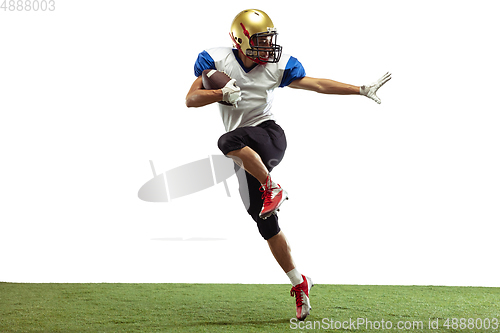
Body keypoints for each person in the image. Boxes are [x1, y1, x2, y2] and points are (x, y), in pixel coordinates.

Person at [185, 9, 391, 321]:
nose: (269, 46)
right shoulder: (216, 61)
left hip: (269, 137)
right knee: (264, 221)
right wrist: (220, 93)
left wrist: (360, 89)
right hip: (246, 154)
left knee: (226, 142)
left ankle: (272, 186)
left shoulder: (276, 67)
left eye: (270, 39)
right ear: (240, 40)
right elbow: (191, 99)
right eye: (261, 40)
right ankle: (300, 282)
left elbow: (318, 84)